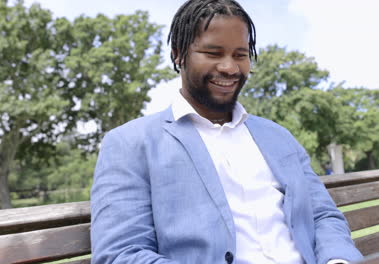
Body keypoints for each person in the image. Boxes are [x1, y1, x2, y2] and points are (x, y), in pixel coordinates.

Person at [90, 1, 363, 263]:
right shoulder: (131, 144)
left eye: (240, 55)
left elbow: (322, 216)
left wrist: (337, 259)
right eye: (213, 53)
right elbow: (121, 254)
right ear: (179, 53)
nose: (230, 68)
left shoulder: (278, 137)